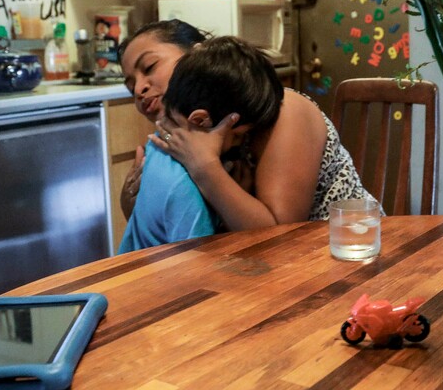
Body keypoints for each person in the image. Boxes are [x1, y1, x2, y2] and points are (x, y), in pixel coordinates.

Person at [119, 21, 374, 235]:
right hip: (248, 265)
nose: (139, 89)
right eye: (131, 87)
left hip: (344, 248)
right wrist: (136, 205)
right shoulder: (180, 137)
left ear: (197, 53)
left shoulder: (284, 109)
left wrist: (204, 166)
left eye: (150, 66)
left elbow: (280, 236)